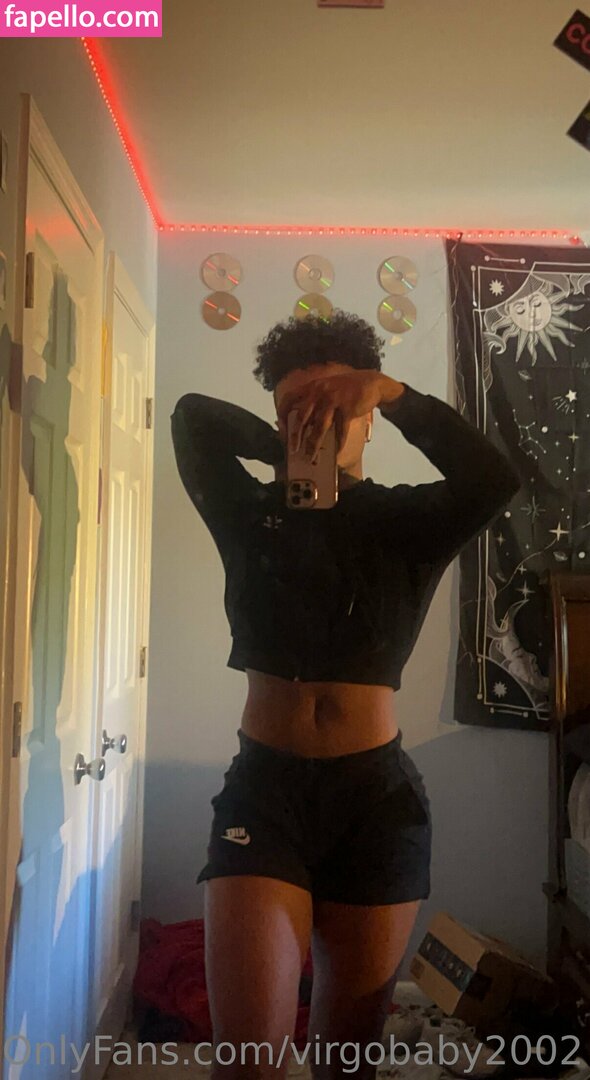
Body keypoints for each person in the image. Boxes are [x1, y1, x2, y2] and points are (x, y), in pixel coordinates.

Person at [170, 310, 521, 1080]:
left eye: (334, 405)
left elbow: (494, 478)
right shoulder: (249, 513)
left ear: (367, 413)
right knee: (247, 1065)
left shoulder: (406, 522)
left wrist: (394, 395)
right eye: (294, 408)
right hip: (265, 797)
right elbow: (193, 417)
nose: (315, 419)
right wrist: (297, 453)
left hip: (376, 805)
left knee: (345, 1063)